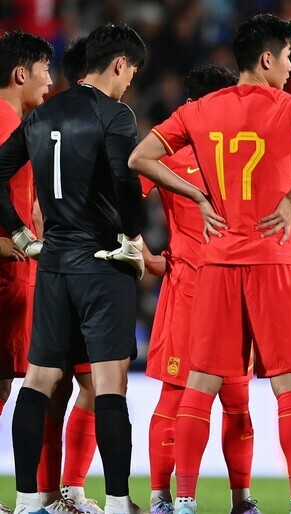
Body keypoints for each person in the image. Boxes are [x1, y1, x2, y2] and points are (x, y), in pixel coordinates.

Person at [128, 13, 291, 514]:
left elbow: (141, 158)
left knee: (199, 385)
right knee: (290, 386)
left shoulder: (200, 110)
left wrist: (197, 196)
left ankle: (182, 502)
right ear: (267, 58)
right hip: (274, 261)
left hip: (217, 264)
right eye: (288, 57)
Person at [0, 23, 147, 514]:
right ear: (119, 63)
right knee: (109, 384)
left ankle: (25, 501)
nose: (130, 83)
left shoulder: (42, 114)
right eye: (131, 72)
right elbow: (126, 184)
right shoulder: (116, 114)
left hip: (54, 264)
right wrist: (131, 239)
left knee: (39, 381)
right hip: (103, 263)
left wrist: (21, 235)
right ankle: (121, 502)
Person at [140, 64, 258, 514]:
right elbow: (121, 196)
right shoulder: (166, 151)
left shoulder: (241, 147)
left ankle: (241, 499)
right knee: (177, 394)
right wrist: (144, 253)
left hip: (235, 284)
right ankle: (162, 497)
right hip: (189, 285)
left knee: (237, 397)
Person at [33, 36, 103, 514]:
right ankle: (52, 494)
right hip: (70, 267)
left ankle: (59, 493)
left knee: (79, 385)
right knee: (67, 386)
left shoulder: (44, 121)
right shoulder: (90, 121)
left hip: (57, 264)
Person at [0, 29, 53, 514]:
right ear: (21, 74)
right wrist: (12, 243)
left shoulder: (17, 123)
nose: (50, 81)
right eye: (44, 70)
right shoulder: (3, 124)